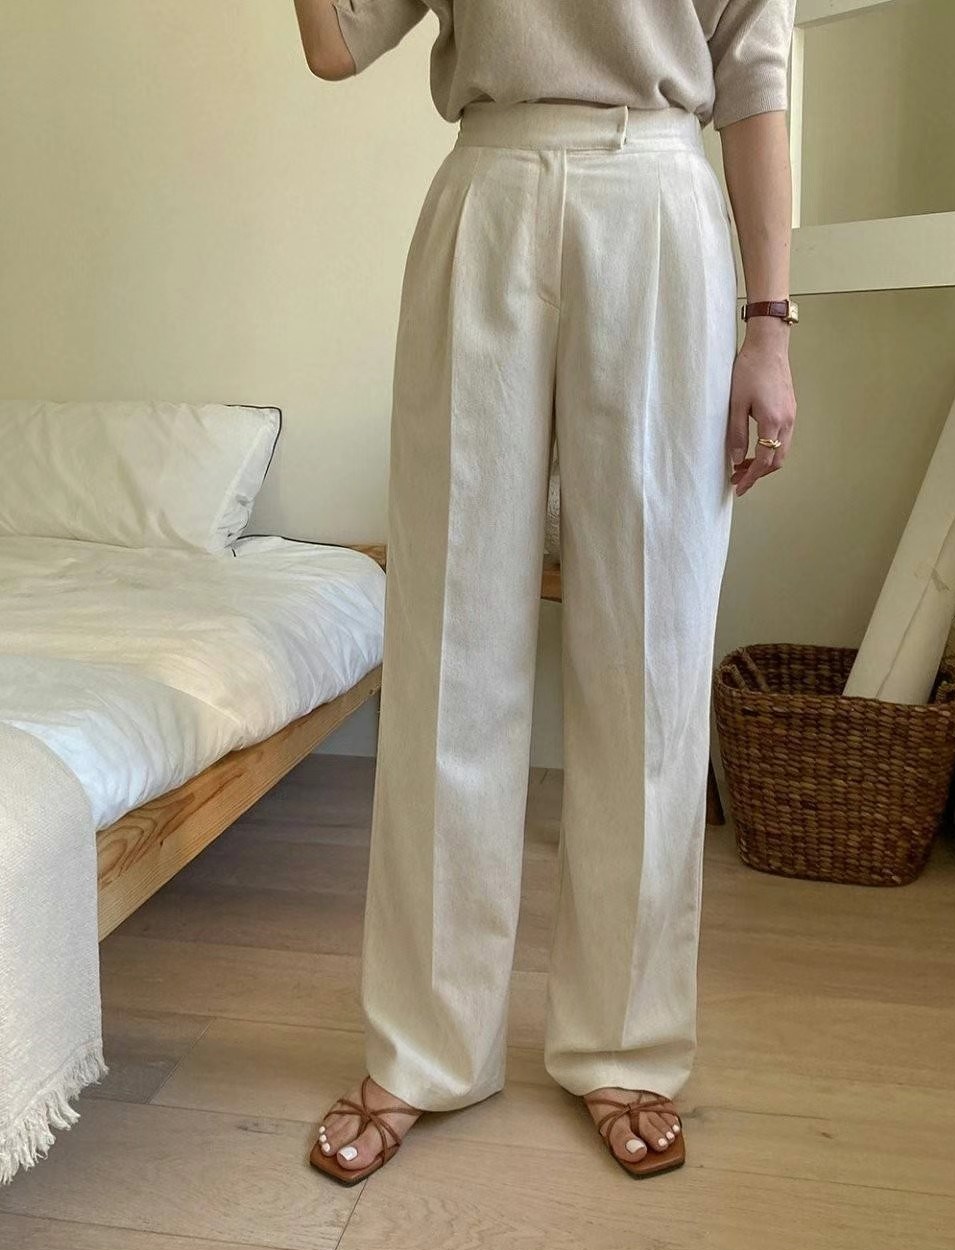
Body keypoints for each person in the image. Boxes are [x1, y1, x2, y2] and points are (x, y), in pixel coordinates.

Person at [294, 0, 798, 1183]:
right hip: (489, 189)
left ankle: (627, 1042)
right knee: (448, 643)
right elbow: (336, 42)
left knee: (650, 655)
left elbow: (756, 73)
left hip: (662, 199)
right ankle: (424, 1045)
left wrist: (770, 331)